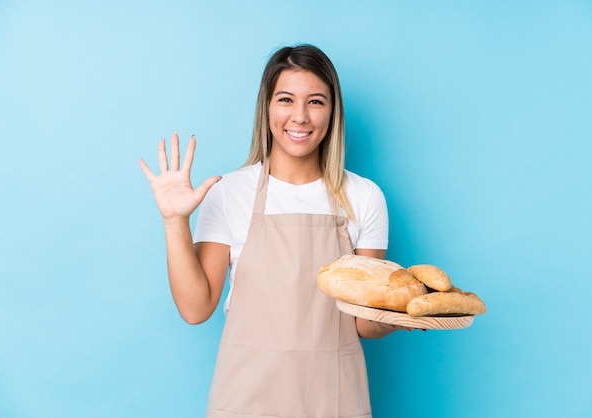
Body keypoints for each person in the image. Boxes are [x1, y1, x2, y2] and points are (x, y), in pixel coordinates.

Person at [139, 44, 400, 418]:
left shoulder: (364, 197)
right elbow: (196, 309)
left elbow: (363, 324)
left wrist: (400, 316)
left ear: (332, 111)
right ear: (266, 107)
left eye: (316, 101)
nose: (300, 116)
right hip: (246, 400)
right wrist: (174, 222)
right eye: (286, 99)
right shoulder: (229, 193)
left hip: (335, 399)